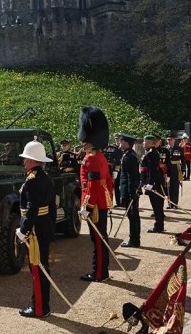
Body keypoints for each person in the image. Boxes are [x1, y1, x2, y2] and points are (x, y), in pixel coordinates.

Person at [15, 141, 56, 318]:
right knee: (41, 268)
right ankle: (42, 305)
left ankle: (39, 308)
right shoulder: (46, 178)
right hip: (44, 227)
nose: (24, 163)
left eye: (26, 159)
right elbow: (52, 208)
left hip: (35, 231)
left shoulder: (32, 181)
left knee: (37, 270)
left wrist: (23, 230)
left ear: (33, 161)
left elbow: (31, 209)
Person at [77, 106, 112, 282]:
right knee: (100, 238)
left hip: (95, 205)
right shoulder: (99, 156)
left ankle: (99, 273)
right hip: (101, 203)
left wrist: (87, 207)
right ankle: (101, 270)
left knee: (98, 240)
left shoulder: (91, 158)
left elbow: (94, 185)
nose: (83, 143)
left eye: (85, 140)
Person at [117, 134, 141, 248]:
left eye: (121, 141)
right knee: (133, 216)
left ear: (126, 142)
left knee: (133, 216)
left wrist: (132, 193)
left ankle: (134, 240)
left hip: (130, 191)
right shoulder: (128, 154)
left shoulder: (129, 156)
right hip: (130, 191)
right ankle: (135, 239)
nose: (119, 143)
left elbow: (131, 177)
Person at [141, 135, 166, 233]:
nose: (144, 143)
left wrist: (150, 183)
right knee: (156, 206)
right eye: (143, 141)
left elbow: (152, 170)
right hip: (153, 182)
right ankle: (159, 225)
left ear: (152, 143)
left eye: (146, 141)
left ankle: (159, 226)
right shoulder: (149, 152)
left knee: (157, 206)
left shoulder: (152, 153)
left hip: (155, 183)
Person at [104, 134, 123, 207]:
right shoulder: (107, 148)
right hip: (108, 169)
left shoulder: (117, 149)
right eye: (116, 139)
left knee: (118, 186)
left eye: (118, 139)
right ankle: (110, 202)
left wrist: (116, 170)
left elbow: (119, 160)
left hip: (117, 169)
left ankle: (119, 202)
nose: (117, 140)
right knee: (111, 187)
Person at [166, 133, 184, 208]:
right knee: (168, 187)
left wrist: (183, 170)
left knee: (175, 186)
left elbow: (183, 159)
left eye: (171, 139)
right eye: (168, 139)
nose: (169, 141)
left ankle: (175, 204)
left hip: (176, 169)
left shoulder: (179, 149)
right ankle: (169, 203)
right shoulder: (164, 149)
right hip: (167, 170)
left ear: (174, 140)